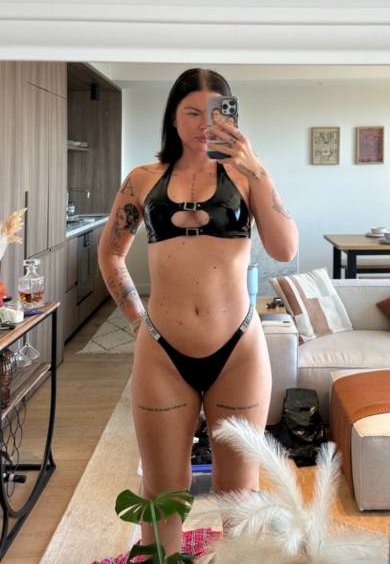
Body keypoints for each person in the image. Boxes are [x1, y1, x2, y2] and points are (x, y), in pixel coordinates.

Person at [98, 68, 298, 556]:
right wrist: (138, 321)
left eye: (215, 113)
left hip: (238, 352)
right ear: (173, 116)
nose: (203, 124)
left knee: (239, 494)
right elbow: (111, 255)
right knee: (163, 492)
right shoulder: (143, 179)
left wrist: (255, 166)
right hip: (162, 353)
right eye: (192, 112)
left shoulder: (246, 177)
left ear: (231, 118)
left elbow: (286, 248)